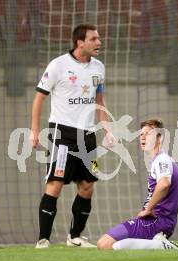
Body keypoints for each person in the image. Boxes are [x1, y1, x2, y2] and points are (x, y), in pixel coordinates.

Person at [30, 24, 116, 248]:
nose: (99, 42)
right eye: (94, 39)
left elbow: (99, 101)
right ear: (80, 42)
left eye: (99, 38)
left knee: (87, 186)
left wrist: (107, 128)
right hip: (62, 133)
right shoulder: (58, 65)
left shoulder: (98, 68)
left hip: (87, 135)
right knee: (55, 184)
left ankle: (75, 236)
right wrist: (34, 131)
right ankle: (43, 239)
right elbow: (39, 98)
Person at [97, 119, 178, 250]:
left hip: (156, 222)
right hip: (160, 222)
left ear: (160, 138)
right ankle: (157, 243)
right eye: (141, 134)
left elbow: (164, 184)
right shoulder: (162, 160)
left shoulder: (162, 159)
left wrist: (148, 209)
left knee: (104, 244)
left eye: (148, 134)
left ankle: (160, 244)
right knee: (111, 245)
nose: (143, 137)